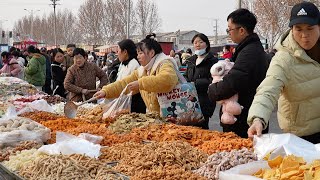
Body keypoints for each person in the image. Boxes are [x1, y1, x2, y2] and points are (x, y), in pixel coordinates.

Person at [247, 1, 320, 143]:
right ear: (292, 29)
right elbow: (268, 90)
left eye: (310, 28)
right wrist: (258, 118)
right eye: (298, 29)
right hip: (301, 136)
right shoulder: (284, 59)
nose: (304, 35)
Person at [208, 9, 269, 138]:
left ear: (241, 30)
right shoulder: (249, 49)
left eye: (229, 29)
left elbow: (234, 81)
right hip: (245, 114)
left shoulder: (249, 52)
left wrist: (213, 90)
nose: (228, 33)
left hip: (244, 119)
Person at [94, 33, 179, 114]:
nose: (138, 56)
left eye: (140, 53)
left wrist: (140, 83)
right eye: (137, 53)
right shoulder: (142, 70)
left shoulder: (165, 63)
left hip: (172, 117)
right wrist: (106, 91)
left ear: (151, 53)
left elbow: (167, 80)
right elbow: (124, 84)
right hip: (155, 118)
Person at [184, 33, 218, 129]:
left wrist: (196, 84)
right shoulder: (191, 61)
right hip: (190, 99)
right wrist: (186, 82)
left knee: (202, 129)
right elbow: (186, 75)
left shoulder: (212, 61)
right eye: (195, 42)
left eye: (200, 42)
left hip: (204, 100)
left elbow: (214, 79)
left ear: (207, 44)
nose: (197, 44)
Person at [116, 39, 146, 113]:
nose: (117, 54)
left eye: (118, 51)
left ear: (125, 52)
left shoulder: (134, 64)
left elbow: (126, 83)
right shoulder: (123, 64)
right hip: (125, 100)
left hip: (134, 103)